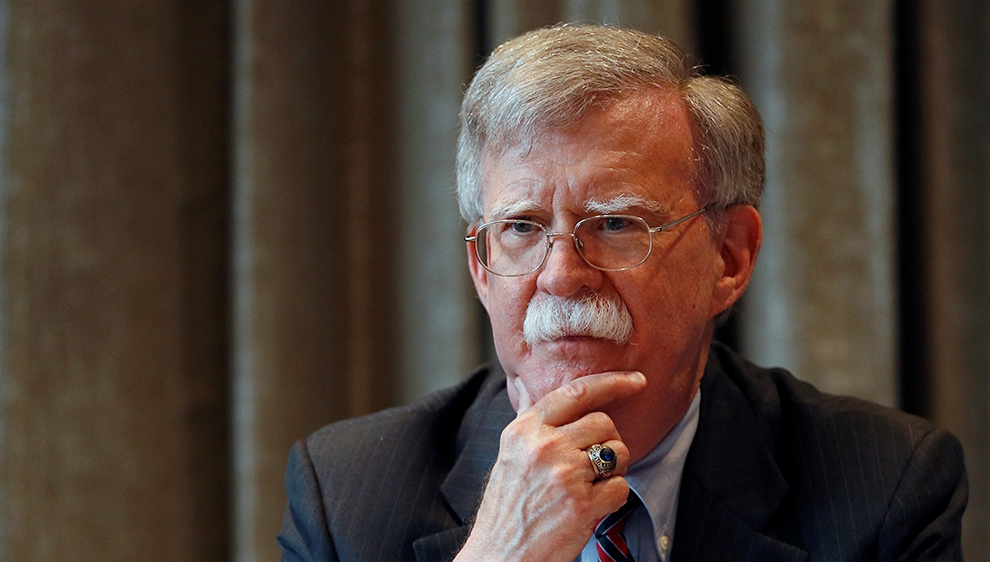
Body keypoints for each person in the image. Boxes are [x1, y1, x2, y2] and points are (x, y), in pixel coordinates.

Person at [278, 24, 967, 562]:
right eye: (521, 227)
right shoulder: (347, 493)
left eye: (614, 224)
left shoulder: (883, 484)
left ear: (730, 257)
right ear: (481, 268)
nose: (559, 274)